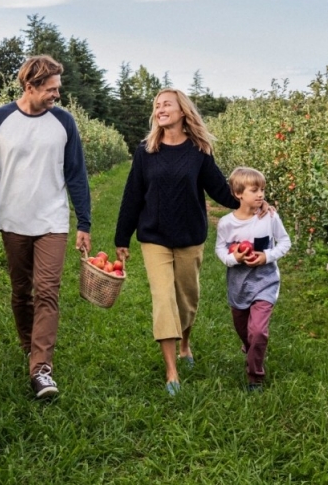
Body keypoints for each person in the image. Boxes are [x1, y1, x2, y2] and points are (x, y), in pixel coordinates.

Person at [114, 88, 268, 396]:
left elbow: (221, 192)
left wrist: (255, 202)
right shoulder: (146, 151)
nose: (160, 108)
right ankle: (171, 371)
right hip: (153, 236)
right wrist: (122, 237)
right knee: (163, 299)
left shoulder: (199, 151)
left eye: (166, 104)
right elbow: (132, 195)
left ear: (183, 111)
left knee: (187, 299)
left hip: (189, 236)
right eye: (157, 105)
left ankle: (185, 344)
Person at [0, 55, 91, 399]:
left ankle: (41, 369)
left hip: (53, 219)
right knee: (21, 291)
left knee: (47, 290)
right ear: (29, 86)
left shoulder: (64, 123)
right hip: (13, 219)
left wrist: (84, 222)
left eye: (57, 89)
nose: (56, 96)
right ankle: (29, 345)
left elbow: (76, 174)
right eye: (50, 89)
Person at [215, 167, 291, 392]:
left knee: (257, 331)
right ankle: (250, 348)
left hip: (266, 282)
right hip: (239, 286)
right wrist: (233, 258)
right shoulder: (227, 223)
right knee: (244, 329)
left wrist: (267, 256)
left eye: (263, 190)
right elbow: (220, 249)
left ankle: (254, 377)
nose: (261, 195)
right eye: (254, 190)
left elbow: (285, 242)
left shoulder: (269, 216)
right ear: (238, 193)